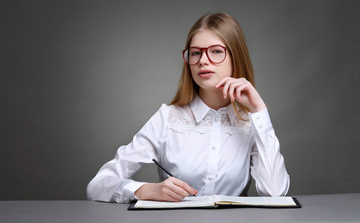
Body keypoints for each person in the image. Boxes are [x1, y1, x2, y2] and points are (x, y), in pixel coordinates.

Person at [87, 13, 290, 203]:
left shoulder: (251, 122)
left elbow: (275, 193)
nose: (202, 61)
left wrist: (259, 111)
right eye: (195, 53)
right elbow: (97, 186)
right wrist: (146, 190)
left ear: (236, 56)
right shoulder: (168, 119)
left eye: (216, 51)